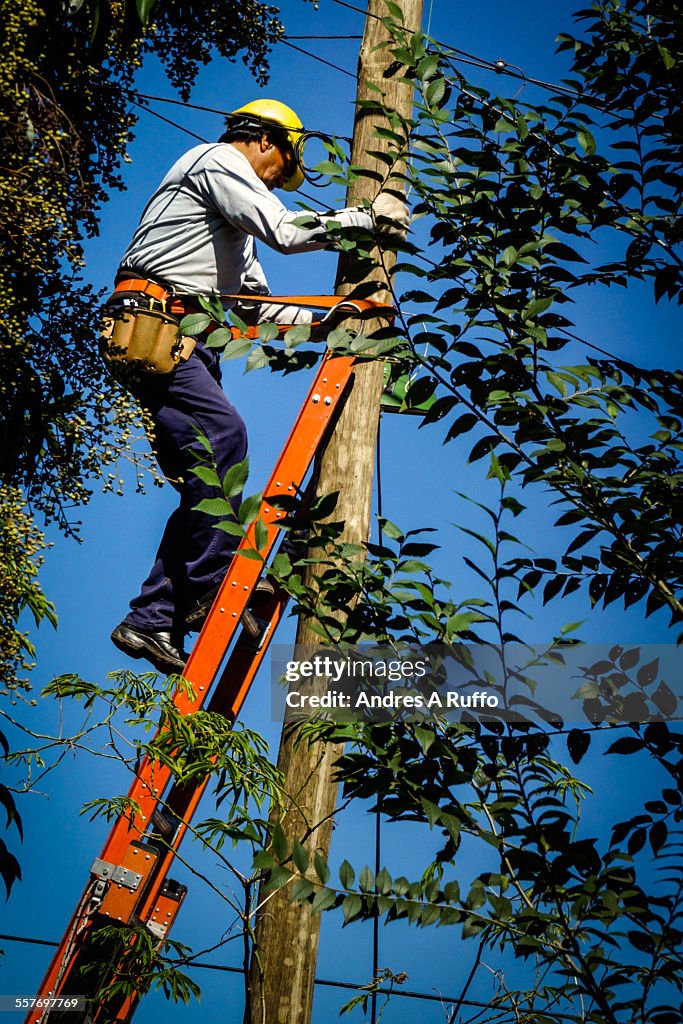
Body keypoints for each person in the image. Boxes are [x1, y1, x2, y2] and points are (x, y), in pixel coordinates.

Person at [106, 98, 409, 675]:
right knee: (225, 437)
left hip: (186, 340)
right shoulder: (216, 161)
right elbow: (285, 230)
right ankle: (214, 582)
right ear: (266, 142)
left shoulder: (229, 233)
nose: (275, 183)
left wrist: (334, 320)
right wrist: (364, 219)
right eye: (279, 170)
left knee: (206, 479)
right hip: (157, 326)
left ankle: (151, 619)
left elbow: (255, 309)